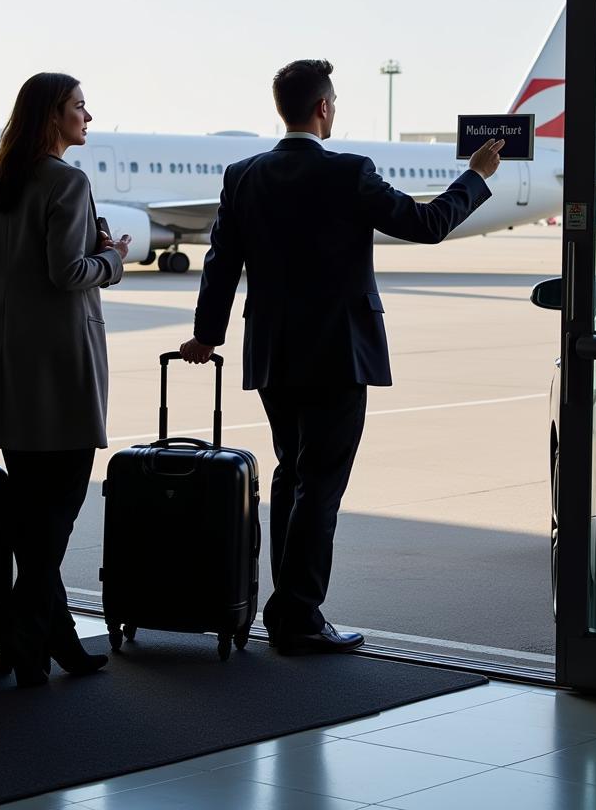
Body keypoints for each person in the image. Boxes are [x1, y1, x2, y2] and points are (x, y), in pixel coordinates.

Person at [180, 59, 502, 654]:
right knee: (320, 484)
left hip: (274, 354)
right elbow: (427, 224)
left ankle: (287, 608)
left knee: (292, 473)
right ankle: (298, 615)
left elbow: (221, 261)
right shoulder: (350, 173)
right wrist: (475, 177)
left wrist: (207, 335)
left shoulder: (243, 175)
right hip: (337, 355)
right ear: (323, 108)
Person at [0, 71, 131, 687]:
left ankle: (53, 636)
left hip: (0, 357)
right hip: (57, 361)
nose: (88, 117)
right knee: (60, 506)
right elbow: (69, 272)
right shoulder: (68, 182)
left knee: (30, 505)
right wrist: (114, 260)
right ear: (53, 117)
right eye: (79, 106)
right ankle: (24, 635)